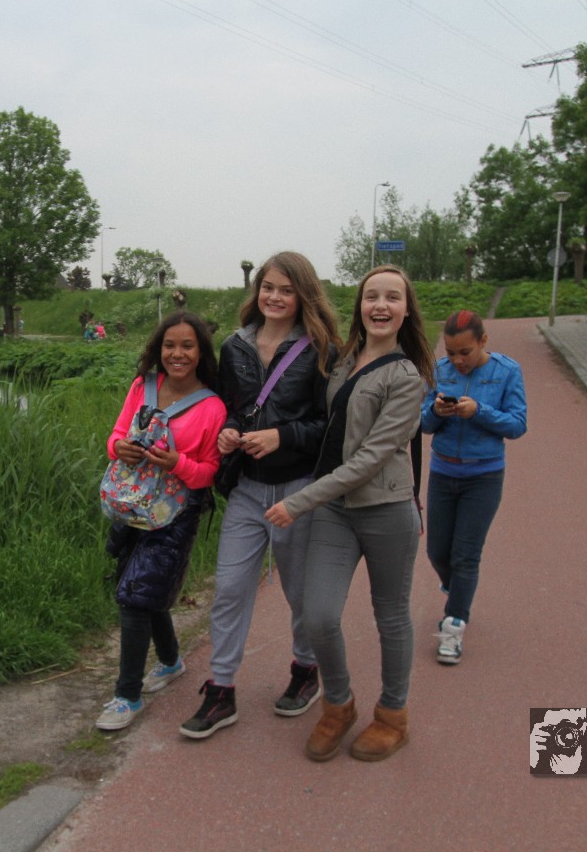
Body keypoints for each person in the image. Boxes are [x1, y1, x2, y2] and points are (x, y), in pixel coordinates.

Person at [266, 264, 435, 762]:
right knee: (318, 615)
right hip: (336, 513)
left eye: (392, 298)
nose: (380, 306)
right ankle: (338, 705)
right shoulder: (341, 361)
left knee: (391, 616)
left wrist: (299, 501)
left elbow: (368, 460)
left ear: (406, 310)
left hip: (386, 511)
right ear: (360, 306)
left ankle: (393, 716)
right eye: (371, 297)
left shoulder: (408, 378)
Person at [180, 251, 339, 740]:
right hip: (247, 489)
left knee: (299, 592)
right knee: (230, 587)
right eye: (268, 287)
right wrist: (229, 430)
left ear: (303, 295)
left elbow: (330, 426)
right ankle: (221, 689)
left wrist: (281, 437)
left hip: (298, 489)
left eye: (286, 290)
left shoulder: (323, 349)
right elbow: (232, 407)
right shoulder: (235, 346)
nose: (274, 297)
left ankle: (305, 669)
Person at [97, 311, 226, 731]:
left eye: (188, 346)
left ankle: (127, 696)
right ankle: (170, 661)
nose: (177, 354)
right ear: (159, 348)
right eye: (170, 345)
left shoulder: (212, 407)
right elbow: (116, 434)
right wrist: (120, 448)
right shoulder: (143, 386)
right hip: (132, 506)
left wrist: (177, 463)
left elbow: (210, 472)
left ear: (201, 352)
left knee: (135, 595)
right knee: (142, 587)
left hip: (176, 514)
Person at [421, 310, 527, 665]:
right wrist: (436, 412)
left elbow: (517, 425)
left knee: (466, 555)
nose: (457, 361)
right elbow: (423, 423)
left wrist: (479, 411)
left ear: (483, 341)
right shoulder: (439, 371)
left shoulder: (507, 371)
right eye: (451, 352)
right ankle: (458, 589)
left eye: (465, 352)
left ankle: (453, 628)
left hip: (484, 477)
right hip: (442, 472)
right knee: (437, 551)